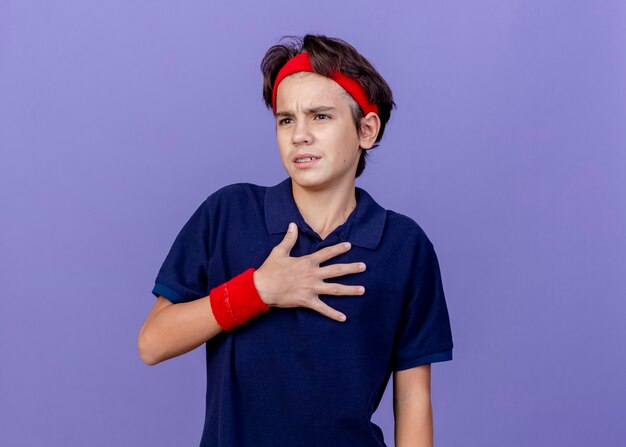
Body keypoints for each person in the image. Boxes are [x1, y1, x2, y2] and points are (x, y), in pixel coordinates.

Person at [138, 34, 453, 447]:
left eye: (320, 117)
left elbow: (413, 400)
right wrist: (258, 290)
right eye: (286, 119)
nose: (299, 135)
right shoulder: (229, 214)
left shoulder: (405, 246)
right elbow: (152, 342)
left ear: (367, 130)